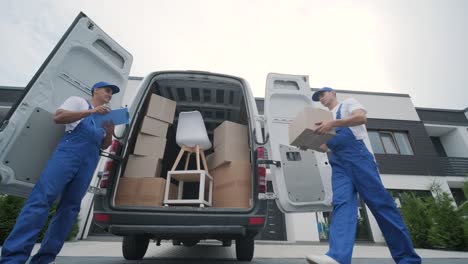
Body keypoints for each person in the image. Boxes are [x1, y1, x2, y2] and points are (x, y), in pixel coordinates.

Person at [0, 81, 119, 264]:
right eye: (107, 90)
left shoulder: (104, 118)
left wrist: (109, 131)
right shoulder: (78, 102)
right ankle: (13, 258)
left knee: (70, 208)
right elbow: (58, 116)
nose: (110, 95)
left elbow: (104, 145)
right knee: (41, 199)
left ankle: (45, 259)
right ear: (95, 89)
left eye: (112, 93)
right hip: (68, 153)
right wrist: (91, 112)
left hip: (90, 160)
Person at [305, 87, 421, 264]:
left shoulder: (347, 104)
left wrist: (333, 124)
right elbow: (325, 147)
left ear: (333, 93)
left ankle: (408, 259)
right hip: (338, 163)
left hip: (358, 158)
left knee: (380, 205)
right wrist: (308, 143)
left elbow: (361, 118)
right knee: (341, 204)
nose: (320, 99)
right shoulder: (325, 121)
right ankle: (337, 257)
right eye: (318, 97)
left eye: (323, 94)